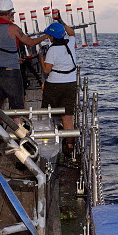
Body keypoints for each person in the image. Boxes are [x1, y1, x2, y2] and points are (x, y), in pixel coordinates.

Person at [0, 0, 50, 110]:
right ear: (10, 13)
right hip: (11, 73)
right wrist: (45, 36)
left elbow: (1, 48)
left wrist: (15, 58)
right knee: (17, 108)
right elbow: (30, 43)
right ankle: (18, 127)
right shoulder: (13, 28)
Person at [41, 21, 79, 158]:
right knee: (67, 116)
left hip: (54, 85)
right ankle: (70, 148)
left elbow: (46, 69)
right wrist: (62, 22)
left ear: (51, 37)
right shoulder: (70, 43)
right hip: (70, 84)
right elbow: (72, 33)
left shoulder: (52, 50)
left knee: (47, 114)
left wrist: (41, 57)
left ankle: (47, 143)